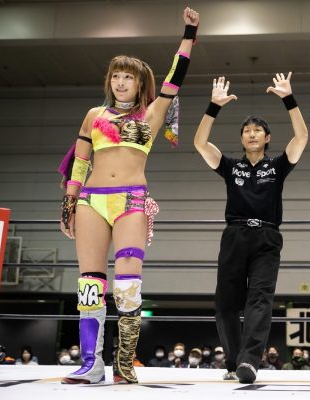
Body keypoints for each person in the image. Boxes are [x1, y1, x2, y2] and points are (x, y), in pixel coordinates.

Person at [58, 7, 199, 385]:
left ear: (140, 83)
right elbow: (80, 162)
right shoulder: (94, 115)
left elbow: (176, 76)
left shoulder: (152, 114)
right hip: (91, 201)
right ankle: (91, 365)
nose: (120, 82)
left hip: (131, 201)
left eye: (128, 77)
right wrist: (70, 202)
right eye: (116, 76)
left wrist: (189, 33)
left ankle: (123, 363)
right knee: (89, 284)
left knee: (127, 285)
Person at [193, 72, 308, 384]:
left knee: (260, 299)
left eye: (258, 130)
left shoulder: (278, 166)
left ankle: (249, 361)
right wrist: (214, 106)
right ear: (242, 138)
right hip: (234, 235)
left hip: (267, 237)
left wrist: (289, 99)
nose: (252, 134)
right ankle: (234, 363)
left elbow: (301, 138)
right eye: (247, 131)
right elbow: (199, 143)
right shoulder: (231, 166)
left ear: (267, 138)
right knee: (226, 303)